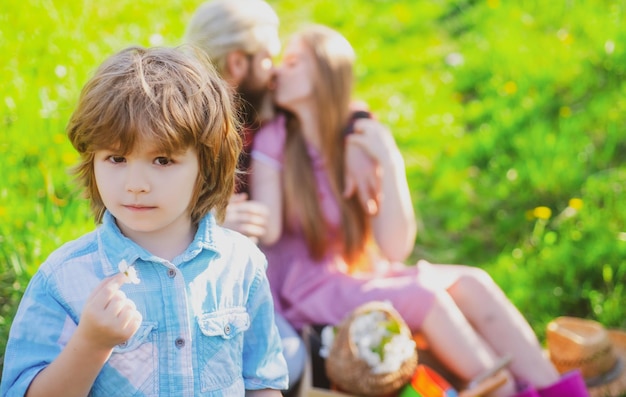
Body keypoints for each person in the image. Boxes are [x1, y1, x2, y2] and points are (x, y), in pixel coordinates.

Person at [249, 24, 590, 397]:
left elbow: (395, 248)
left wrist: (388, 161)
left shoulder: (359, 137)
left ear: (325, 74)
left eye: (294, 62)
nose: (278, 71)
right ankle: (501, 388)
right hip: (307, 289)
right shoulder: (276, 139)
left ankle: (561, 392)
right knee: (426, 297)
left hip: (358, 275)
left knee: (473, 282)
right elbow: (268, 229)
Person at [0, 46, 288, 397]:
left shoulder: (242, 265)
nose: (136, 183)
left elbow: (263, 380)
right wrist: (91, 344)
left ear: (207, 165)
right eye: (117, 158)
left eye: (163, 160)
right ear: (92, 160)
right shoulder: (64, 280)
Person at [183, 0, 382, 391]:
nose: (275, 70)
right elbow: (139, 201)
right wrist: (209, 222)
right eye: (268, 59)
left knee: (286, 359)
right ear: (238, 64)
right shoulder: (183, 121)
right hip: (191, 279)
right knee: (280, 361)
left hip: (263, 277)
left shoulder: (262, 108)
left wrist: (357, 130)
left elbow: (328, 103)